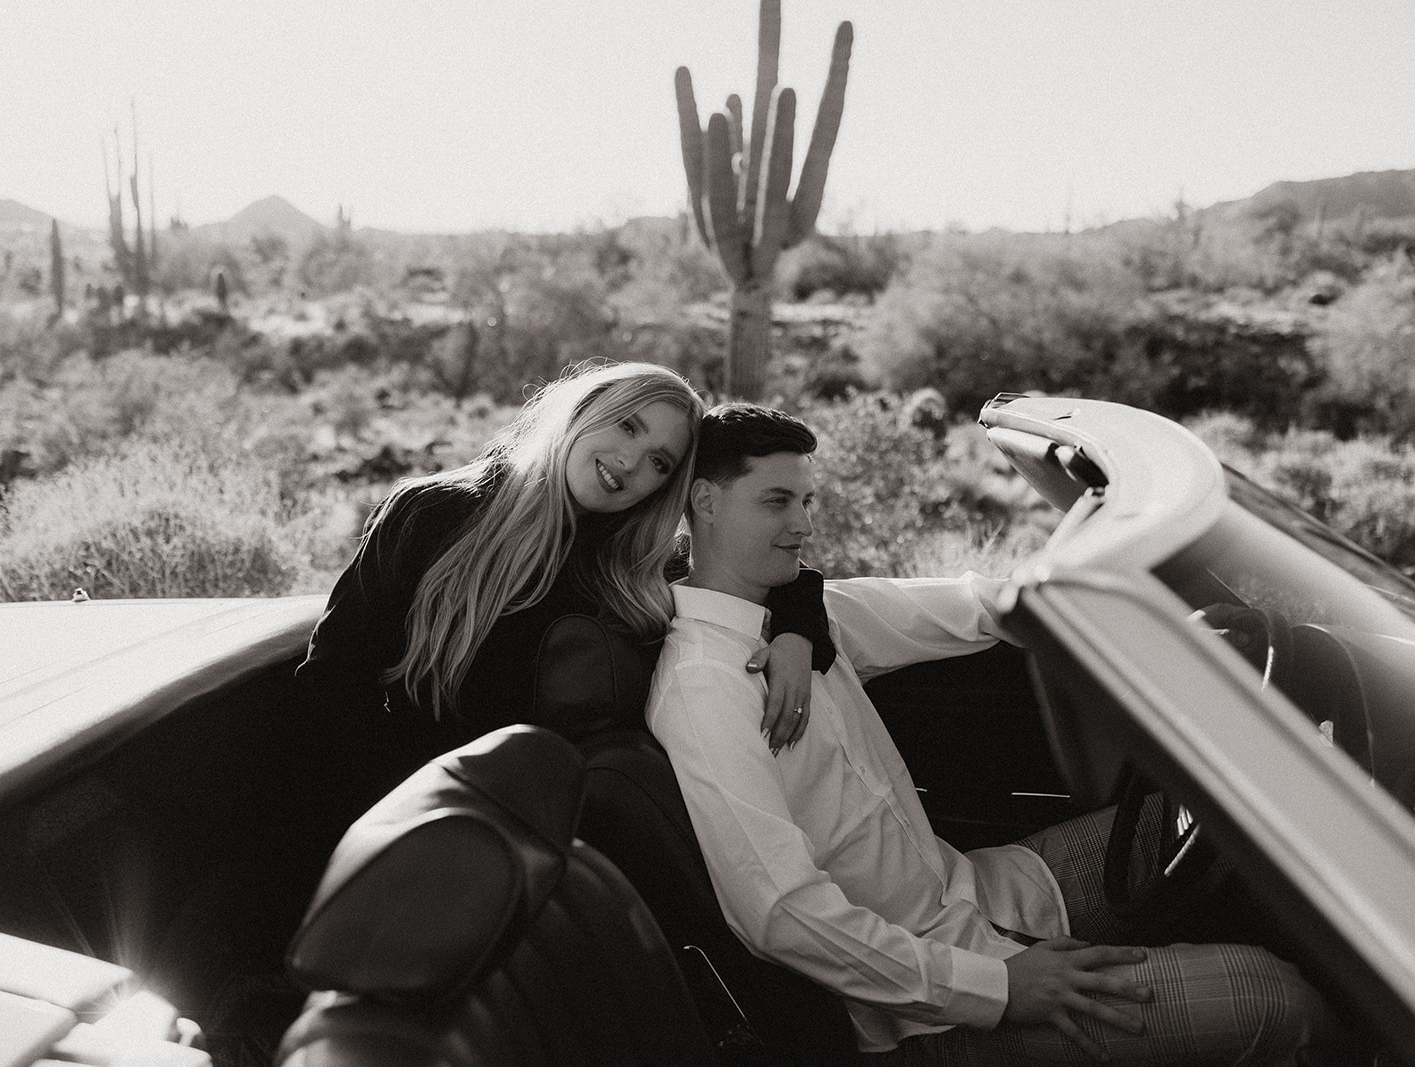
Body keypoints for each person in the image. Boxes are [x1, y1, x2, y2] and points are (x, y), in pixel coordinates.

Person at [645, 402, 1339, 1065]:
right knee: (1276, 999)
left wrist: (1142, 617)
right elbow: (781, 914)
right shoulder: (705, 684)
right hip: (923, 1014)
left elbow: (979, 606)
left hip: (984, 894)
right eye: (777, 501)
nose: (802, 523)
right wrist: (1001, 989)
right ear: (704, 502)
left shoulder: (809, 614)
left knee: (1239, 816)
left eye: (807, 501)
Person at [294, 362, 832, 819]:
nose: (631, 461)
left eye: (660, 462)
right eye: (627, 426)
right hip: (412, 813)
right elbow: (333, 676)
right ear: (584, 409)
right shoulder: (433, 514)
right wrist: (407, 810)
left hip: (564, 836)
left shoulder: (638, 569)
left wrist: (795, 636)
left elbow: (771, 571)